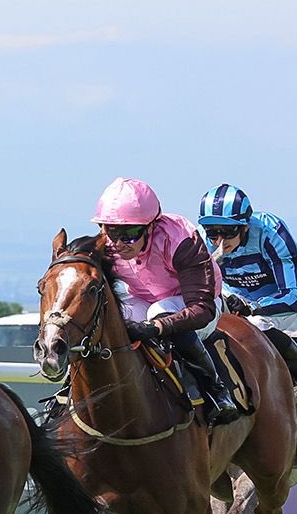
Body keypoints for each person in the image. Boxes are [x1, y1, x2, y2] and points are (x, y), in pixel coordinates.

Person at [92, 177, 240, 425]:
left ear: (151, 226)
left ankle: (216, 391)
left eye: (128, 234)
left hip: (198, 303)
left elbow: (201, 310)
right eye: (110, 231)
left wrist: (157, 327)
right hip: (143, 299)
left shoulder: (180, 240)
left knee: (159, 313)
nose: (117, 243)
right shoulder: (104, 245)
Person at [197, 184, 297, 383]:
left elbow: (296, 294)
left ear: (245, 226)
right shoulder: (201, 239)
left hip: (276, 302)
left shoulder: (272, 233)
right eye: (212, 232)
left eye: (228, 231)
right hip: (230, 297)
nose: (220, 241)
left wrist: (254, 307)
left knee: (256, 324)